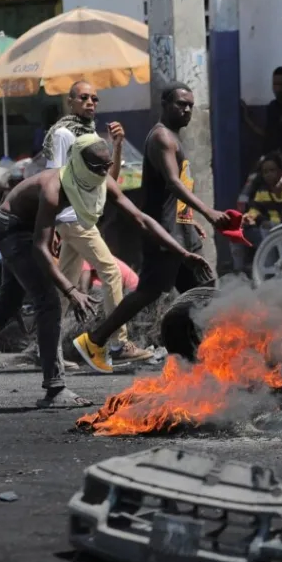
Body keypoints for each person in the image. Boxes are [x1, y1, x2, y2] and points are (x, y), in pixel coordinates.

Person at [0, 134, 208, 408]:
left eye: (107, 166)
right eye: (97, 167)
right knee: (49, 302)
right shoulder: (53, 188)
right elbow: (40, 248)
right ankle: (55, 388)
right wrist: (71, 290)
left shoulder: (101, 180)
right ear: (79, 164)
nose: (103, 173)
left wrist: (182, 252)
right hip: (11, 228)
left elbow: (141, 219)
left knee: (8, 302)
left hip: (32, 227)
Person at [73, 82, 229, 373]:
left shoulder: (172, 137)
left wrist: (190, 220)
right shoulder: (161, 137)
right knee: (150, 291)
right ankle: (94, 340)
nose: (186, 110)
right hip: (164, 234)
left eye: (190, 105)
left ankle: (196, 354)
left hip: (179, 230)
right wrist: (208, 212)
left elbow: (170, 194)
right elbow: (173, 183)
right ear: (165, 105)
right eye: (180, 104)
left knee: (201, 292)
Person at [40, 80, 151, 362]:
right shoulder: (63, 134)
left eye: (94, 98)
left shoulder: (89, 135)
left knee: (64, 287)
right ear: (70, 102)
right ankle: (118, 343)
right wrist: (51, 224)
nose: (90, 102)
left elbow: (108, 181)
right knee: (111, 272)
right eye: (84, 98)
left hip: (81, 217)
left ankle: (48, 350)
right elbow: (53, 179)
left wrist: (117, 146)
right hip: (73, 219)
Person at [232, 153, 282, 274]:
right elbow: (254, 210)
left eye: (272, 170)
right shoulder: (263, 191)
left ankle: (269, 272)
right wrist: (248, 218)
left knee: (266, 230)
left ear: (281, 172)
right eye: (265, 172)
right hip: (268, 229)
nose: (269, 175)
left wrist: (265, 222)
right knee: (235, 230)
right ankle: (238, 270)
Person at [242, 66, 282, 158]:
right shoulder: (272, 106)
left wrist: (275, 158)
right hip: (271, 157)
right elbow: (268, 134)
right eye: (275, 84)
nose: (278, 89)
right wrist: (247, 119)